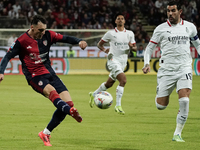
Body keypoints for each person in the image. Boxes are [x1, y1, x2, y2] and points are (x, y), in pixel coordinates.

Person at [0, 15, 87, 146]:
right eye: (40, 30)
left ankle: (45, 133)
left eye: (44, 29)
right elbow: (7, 56)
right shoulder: (22, 40)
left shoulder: (48, 35)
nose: (43, 32)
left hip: (50, 73)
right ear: (32, 27)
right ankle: (70, 112)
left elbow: (66, 38)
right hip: (34, 76)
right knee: (54, 95)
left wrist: (79, 41)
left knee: (68, 103)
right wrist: (1, 71)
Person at [142, 1, 200, 142]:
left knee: (185, 99)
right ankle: (161, 91)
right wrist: (146, 63)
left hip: (184, 68)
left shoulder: (189, 27)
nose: (170, 14)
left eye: (173, 11)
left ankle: (177, 133)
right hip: (166, 70)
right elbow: (149, 49)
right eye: (168, 11)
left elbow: (197, 43)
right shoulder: (160, 29)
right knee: (160, 106)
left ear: (180, 11)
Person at [89, 13, 137, 115]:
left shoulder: (130, 33)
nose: (120, 20)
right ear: (115, 21)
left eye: (122, 19)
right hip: (113, 60)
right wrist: (104, 50)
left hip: (123, 62)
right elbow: (99, 44)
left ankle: (94, 94)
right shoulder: (110, 33)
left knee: (109, 84)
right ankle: (118, 105)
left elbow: (135, 48)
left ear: (124, 21)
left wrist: (132, 47)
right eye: (118, 19)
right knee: (123, 80)